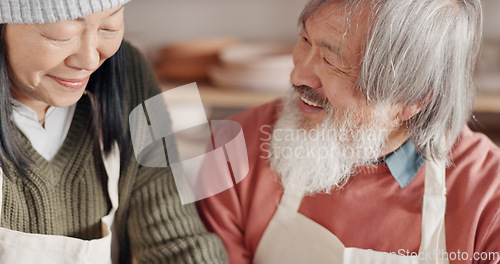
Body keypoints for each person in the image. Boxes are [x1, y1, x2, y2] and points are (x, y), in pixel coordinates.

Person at [197, 0, 500, 263]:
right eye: (305, 40)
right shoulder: (234, 147)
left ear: (411, 99)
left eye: (331, 60)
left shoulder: (488, 199)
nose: (297, 74)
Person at [0, 0, 227, 263]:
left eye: (109, 26)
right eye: (62, 34)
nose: (89, 59)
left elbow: (175, 240)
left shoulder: (130, 74)